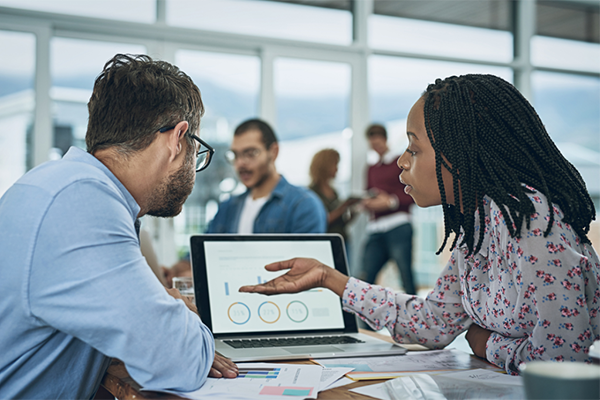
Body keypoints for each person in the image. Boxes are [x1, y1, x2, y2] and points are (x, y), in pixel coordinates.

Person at [239, 74, 600, 376]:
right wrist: (327, 278)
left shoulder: (533, 222)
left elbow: (561, 362)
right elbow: (432, 323)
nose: (401, 160)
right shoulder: (479, 227)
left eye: (414, 148)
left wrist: (485, 342)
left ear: (460, 153)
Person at [0, 54, 238, 400]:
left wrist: (154, 313)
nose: (193, 165)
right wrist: (173, 308)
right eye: (196, 151)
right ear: (178, 138)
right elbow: (178, 360)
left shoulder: (55, 184)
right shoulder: (82, 200)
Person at [207, 118, 327, 234]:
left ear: (274, 152)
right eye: (235, 155)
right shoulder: (228, 208)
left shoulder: (302, 205)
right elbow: (200, 252)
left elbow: (307, 254)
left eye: (250, 153)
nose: (240, 163)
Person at [360, 124, 417, 295]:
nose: (376, 147)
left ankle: (415, 320)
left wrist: (391, 202)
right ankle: (365, 322)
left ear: (385, 140)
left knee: (405, 276)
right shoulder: (371, 169)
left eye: (378, 142)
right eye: (372, 144)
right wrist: (368, 203)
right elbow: (368, 192)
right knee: (365, 277)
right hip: (376, 228)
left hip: (398, 226)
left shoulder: (399, 163)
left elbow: (414, 193)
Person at [308, 148, 360, 257]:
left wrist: (353, 212)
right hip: (325, 244)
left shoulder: (333, 192)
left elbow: (339, 223)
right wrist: (343, 206)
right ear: (325, 166)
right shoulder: (312, 193)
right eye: (335, 165)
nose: (337, 169)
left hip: (341, 241)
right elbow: (320, 220)